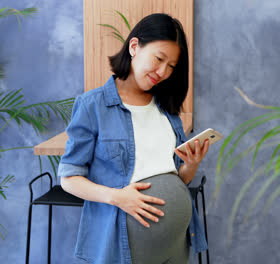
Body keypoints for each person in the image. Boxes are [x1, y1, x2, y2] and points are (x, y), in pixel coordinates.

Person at [58, 13, 208, 264]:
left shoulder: (167, 108)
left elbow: (174, 177)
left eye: (171, 66)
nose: (162, 72)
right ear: (134, 46)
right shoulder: (93, 105)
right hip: (123, 245)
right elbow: (69, 179)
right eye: (159, 59)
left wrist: (189, 167)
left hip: (176, 244)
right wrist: (117, 197)